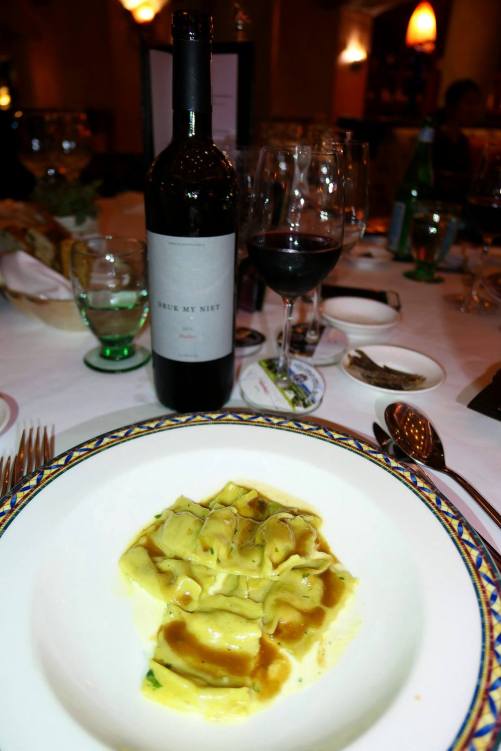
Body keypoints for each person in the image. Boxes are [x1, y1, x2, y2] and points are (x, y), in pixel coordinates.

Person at [432, 79, 484, 203]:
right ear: (452, 105)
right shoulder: (435, 137)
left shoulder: (463, 140)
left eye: (477, 103)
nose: (474, 109)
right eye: (469, 103)